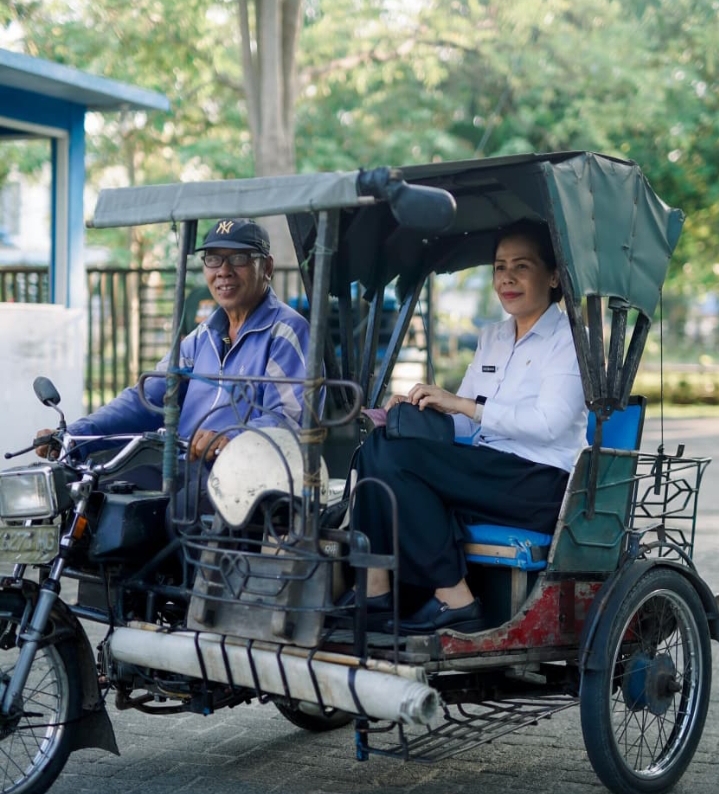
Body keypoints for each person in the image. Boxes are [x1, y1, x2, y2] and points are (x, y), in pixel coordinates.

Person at [351, 219, 588, 635]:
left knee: (398, 459)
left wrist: (464, 405)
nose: (507, 278)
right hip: (486, 468)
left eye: (522, 266)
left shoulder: (569, 340)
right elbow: (462, 425)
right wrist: (419, 412)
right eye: (499, 267)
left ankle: (453, 597)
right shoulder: (493, 337)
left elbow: (549, 424)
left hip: (540, 481)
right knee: (383, 443)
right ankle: (375, 589)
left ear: (553, 276)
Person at [36, 217, 318, 475]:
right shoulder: (202, 336)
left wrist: (230, 438)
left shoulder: (286, 332)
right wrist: (75, 435)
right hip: (188, 477)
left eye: (239, 258)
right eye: (213, 259)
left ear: (266, 267)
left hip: (247, 482)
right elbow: (145, 399)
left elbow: (288, 421)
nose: (224, 271)